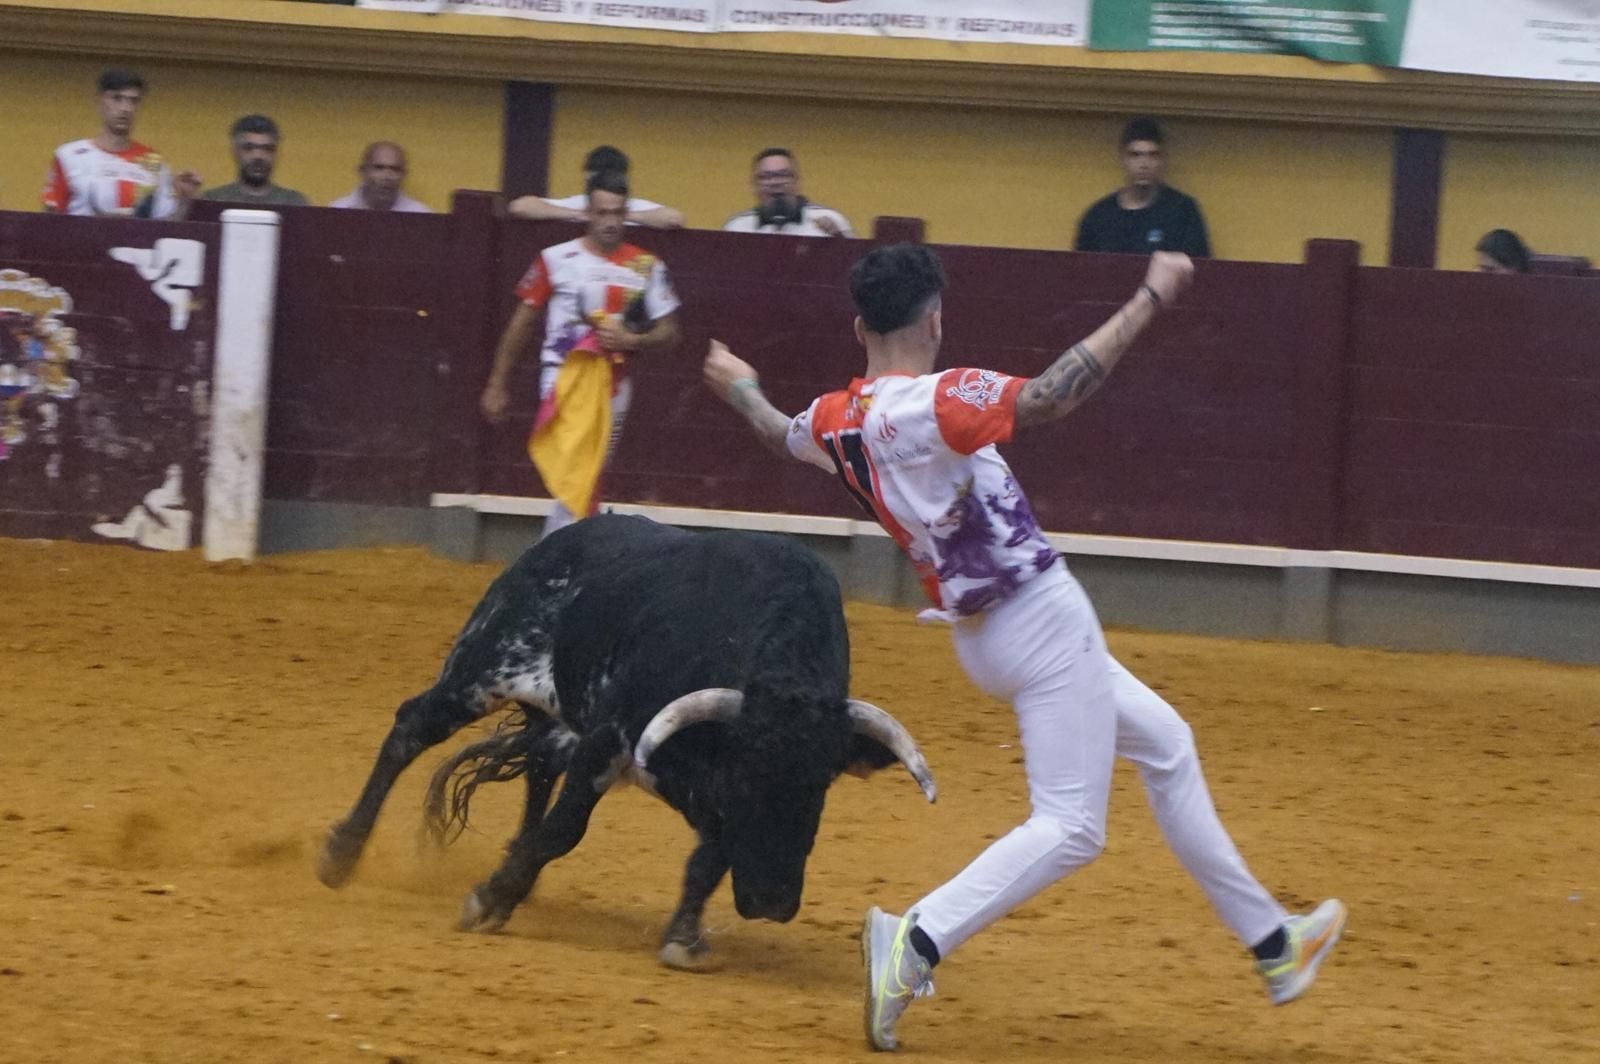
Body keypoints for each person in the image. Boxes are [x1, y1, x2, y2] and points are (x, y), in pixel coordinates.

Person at [703, 244, 1346, 1052]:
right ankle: (917, 938)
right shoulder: (940, 399)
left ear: (860, 325)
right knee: (1073, 824)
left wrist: (741, 386)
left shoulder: (839, 417)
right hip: (1040, 619)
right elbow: (1046, 399)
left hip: (982, 634)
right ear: (935, 319)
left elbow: (773, 432)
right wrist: (1151, 295)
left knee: (1168, 745)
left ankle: (1274, 946)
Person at [480, 170, 681, 537]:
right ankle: (559, 561)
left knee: (592, 470)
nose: (610, 222)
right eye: (602, 213)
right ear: (587, 212)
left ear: (627, 214)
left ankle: (562, 554)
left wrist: (631, 340)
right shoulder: (556, 259)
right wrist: (497, 383)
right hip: (562, 377)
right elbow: (521, 324)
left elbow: (670, 333)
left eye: (618, 213)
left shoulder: (645, 265)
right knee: (579, 468)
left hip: (615, 384)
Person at [42, 69, 201, 220]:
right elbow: (51, 218)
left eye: (133, 101)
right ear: (101, 101)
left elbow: (164, 227)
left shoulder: (153, 162)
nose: (126, 108)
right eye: (117, 98)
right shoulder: (69, 156)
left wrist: (184, 199)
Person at [1075, 117, 1210, 257]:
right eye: (1135, 155)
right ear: (1123, 158)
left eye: (1152, 155)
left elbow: (1202, 270)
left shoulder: (1183, 212)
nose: (1144, 164)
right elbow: (1079, 272)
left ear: (1162, 159)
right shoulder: (1099, 217)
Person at [509, 145, 683, 229]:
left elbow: (674, 219)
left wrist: (621, 215)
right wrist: (576, 214)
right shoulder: (579, 204)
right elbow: (519, 207)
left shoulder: (636, 206)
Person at [723, 148, 853, 237]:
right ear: (753, 185)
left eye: (784, 175)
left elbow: (857, 270)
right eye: (766, 177)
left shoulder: (831, 219)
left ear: (797, 181)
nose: (775, 182)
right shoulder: (737, 226)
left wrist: (838, 238)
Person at [200, 114, 311, 207]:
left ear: (276, 153)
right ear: (235, 151)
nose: (258, 156)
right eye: (249, 148)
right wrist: (186, 200)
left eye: (267, 149)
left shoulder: (294, 203)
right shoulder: (214, 200)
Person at [330, 142, 431, 213]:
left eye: (395, 169)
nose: (387, 176)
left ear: (404, 175)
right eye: (379, 168)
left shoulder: (422, 214)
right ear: (362, 171)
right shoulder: (337, 210)